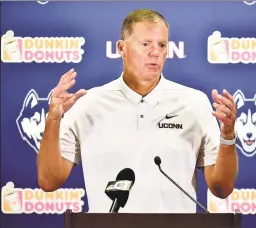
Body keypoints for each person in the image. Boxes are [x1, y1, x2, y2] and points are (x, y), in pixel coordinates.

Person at [37, 8, 238, 213]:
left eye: (162, 45)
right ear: (122, 48)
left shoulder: (195, 102)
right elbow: (48, 180)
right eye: (145, 44)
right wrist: (53, 119)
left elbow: (222, 188)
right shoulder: (88, 103)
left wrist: (228, 136)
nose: (155, 52)